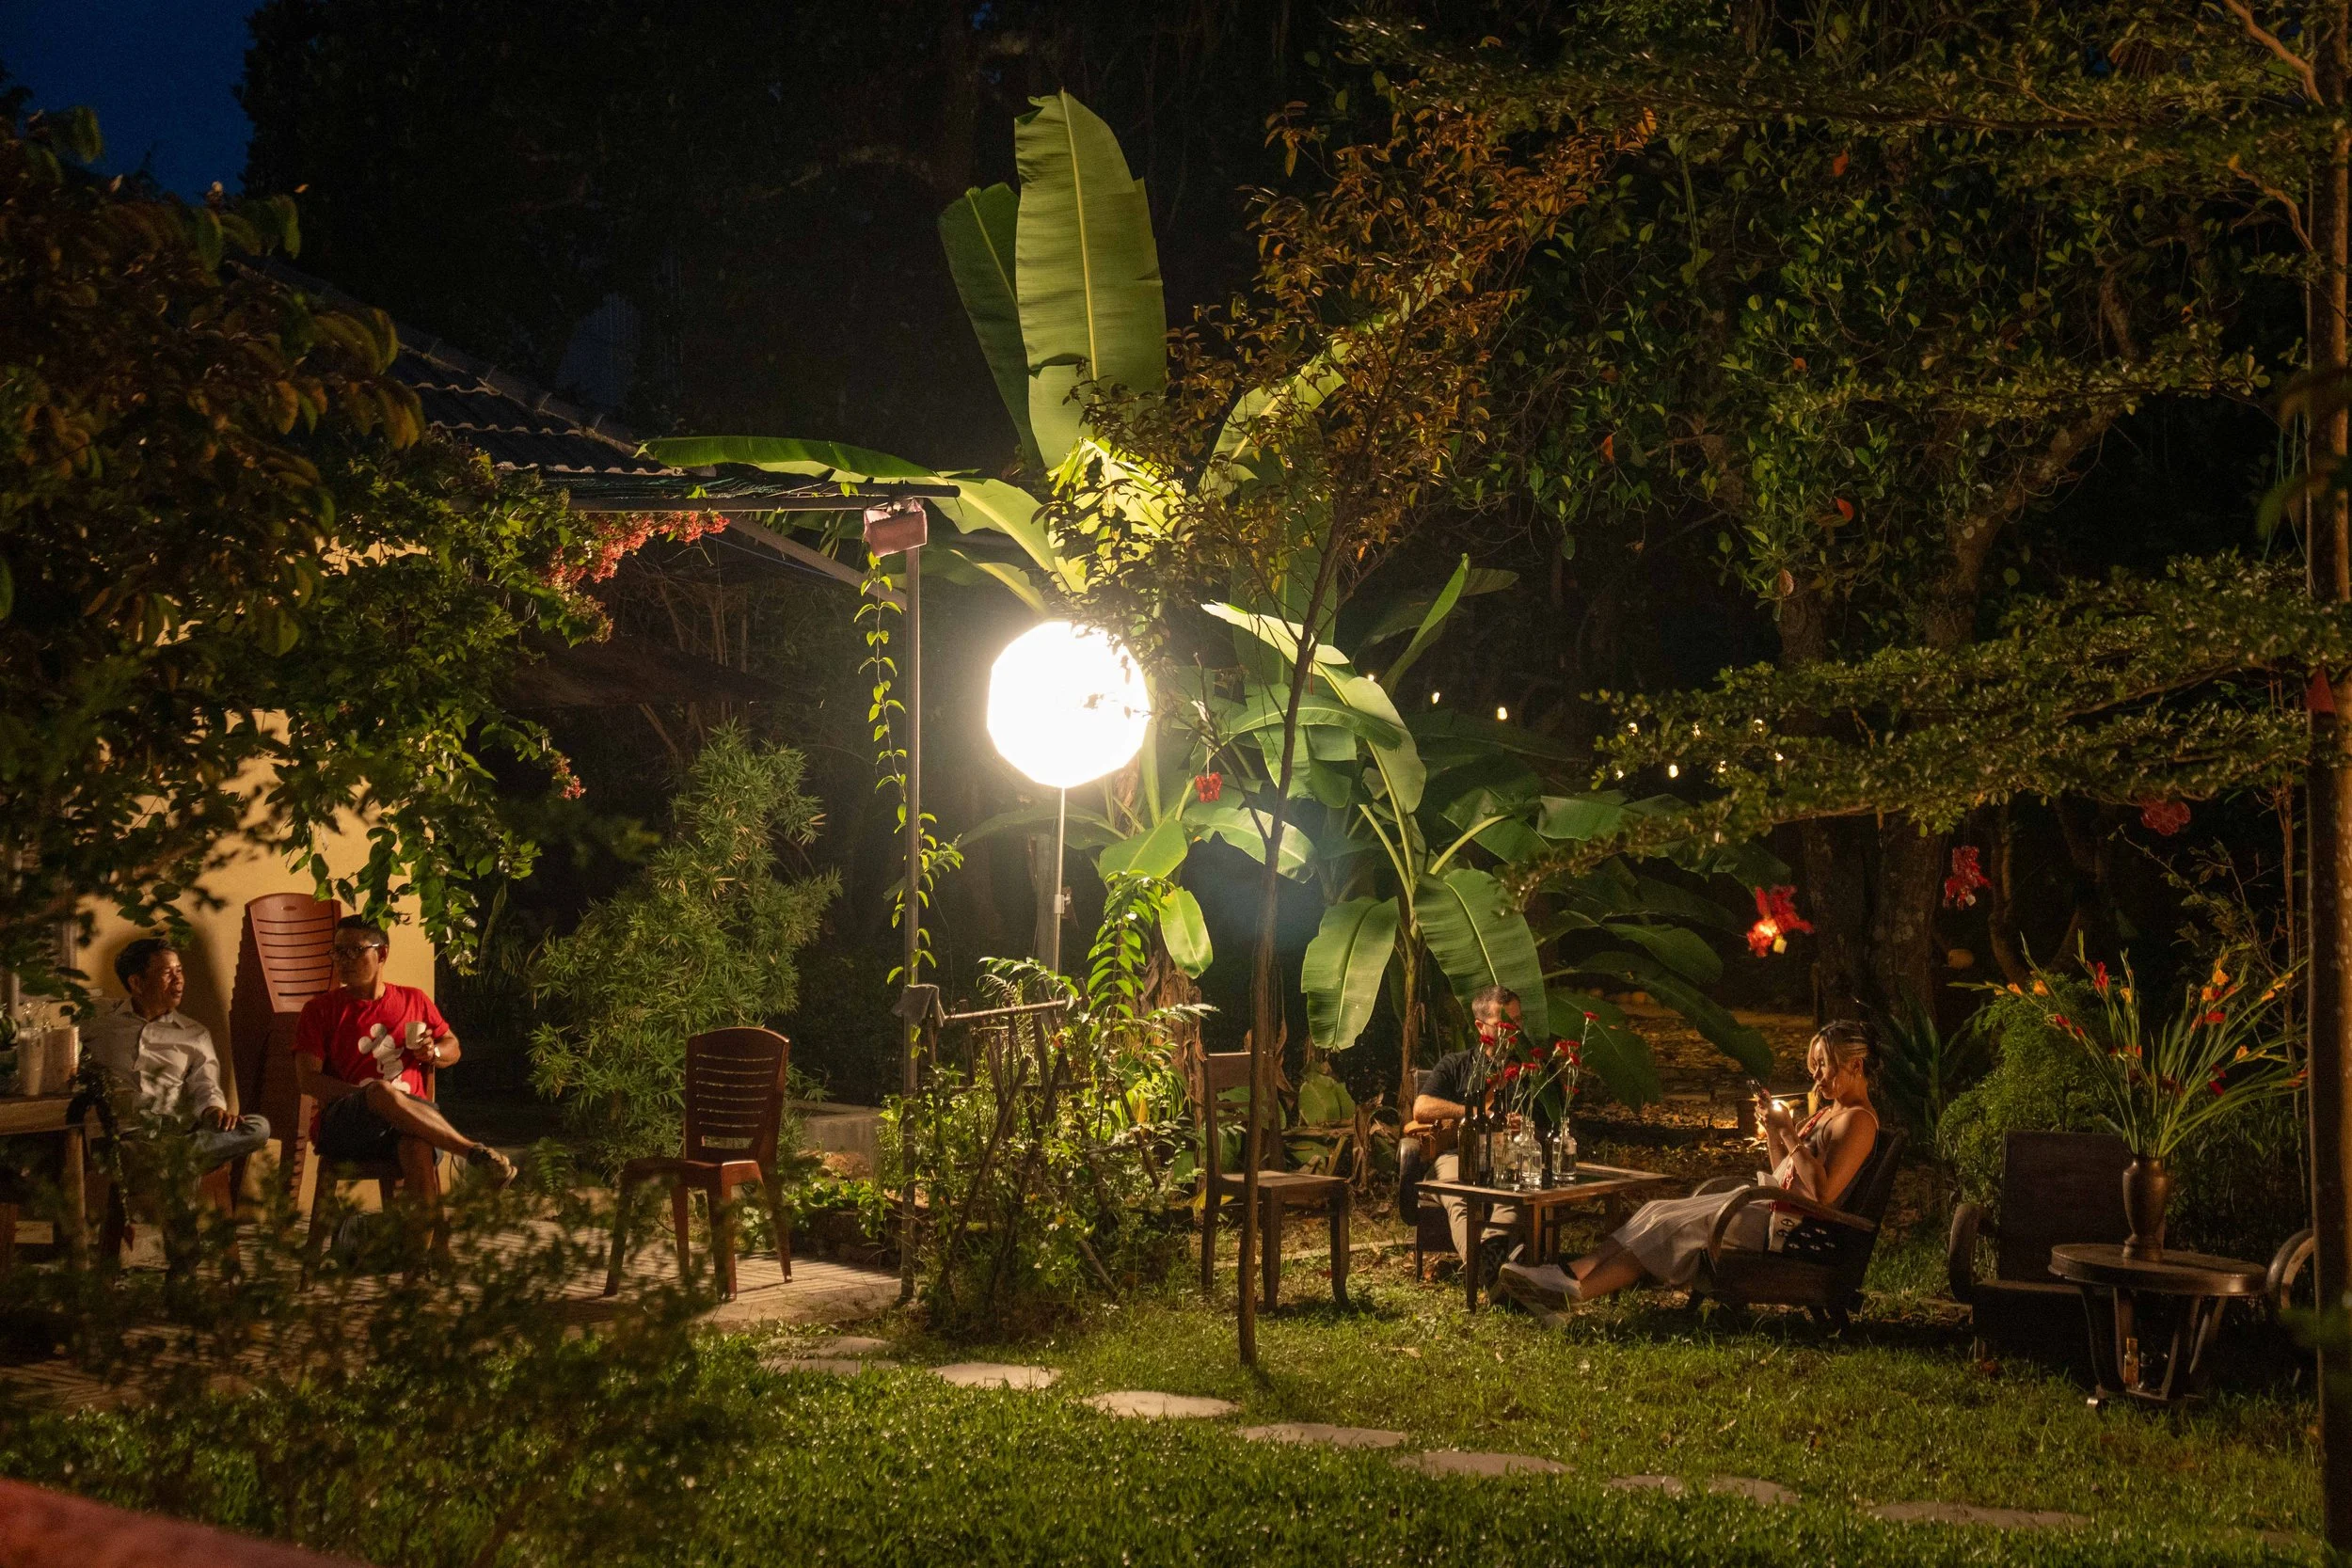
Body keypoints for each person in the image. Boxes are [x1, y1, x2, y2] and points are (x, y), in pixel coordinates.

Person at [1497, 1020, 1881, 1309]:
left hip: (1796, 1232)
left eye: (1824, 1065)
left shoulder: (1858, 1121)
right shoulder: (1830, 1114)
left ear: (1856, 1066)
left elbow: (1824, 1196)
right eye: (1813, 1065)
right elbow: (1787, 1175)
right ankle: (1570, 1276)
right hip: (1775, 1208)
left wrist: (1791, 1134)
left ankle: (1572, 1291)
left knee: (1672, 1226)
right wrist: (1776, 1134)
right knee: (1658, 1209)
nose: (1815, 1076)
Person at [294, 917, 516, 1203]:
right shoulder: (320, 1009)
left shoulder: (414, 1000)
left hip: (413, 1123)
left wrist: (432, 1052)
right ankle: (471, 1152)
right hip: (347, 1122)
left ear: (382, 953)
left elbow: (453, 1047)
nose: (343, 960)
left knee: (417, 1148)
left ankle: (415, 1248)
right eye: (338, 951)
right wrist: (371, 1097)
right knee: (382, 1092)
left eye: (354, 951)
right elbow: (307, 1079)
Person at [86, 937, 269, 1172]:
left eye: (179, 971)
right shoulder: (98, 1021)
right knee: (132, 1152)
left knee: (258, 1127)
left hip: (173, 1131)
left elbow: (206, 1086)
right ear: (137, 983)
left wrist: (214, 1111)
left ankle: (170, 1157)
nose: (179, 979)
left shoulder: (194, 1034)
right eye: (167, 973)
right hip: (119, 1133)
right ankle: (175, 1159)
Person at [1409, 984, 1528, 1280]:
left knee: (1512, 1195)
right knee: (1460, 1195)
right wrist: (1478, 1114)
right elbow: (1422, 1107)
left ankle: (1487, 1263)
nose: (1513, 1031)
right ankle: (1489, 1272)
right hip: (1455, 1155)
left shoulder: (1524, 1073)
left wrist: (1521, 1126)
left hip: (1506, 1157)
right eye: (1505, 1024)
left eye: (1517, 1022)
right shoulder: (1456, 1065)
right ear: (1480, 1026)